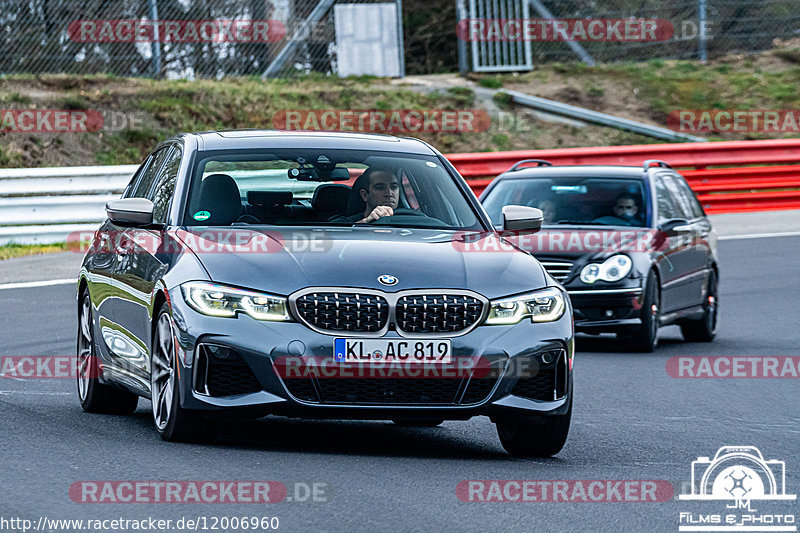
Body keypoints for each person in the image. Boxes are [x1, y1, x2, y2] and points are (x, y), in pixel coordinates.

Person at [331, 168, 401, 224]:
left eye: (394, 187)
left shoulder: (409, 219)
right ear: (364, 195)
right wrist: (366, 222)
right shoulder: (343, 222)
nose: (389, 193)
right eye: (380, 188)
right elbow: (332, 234)